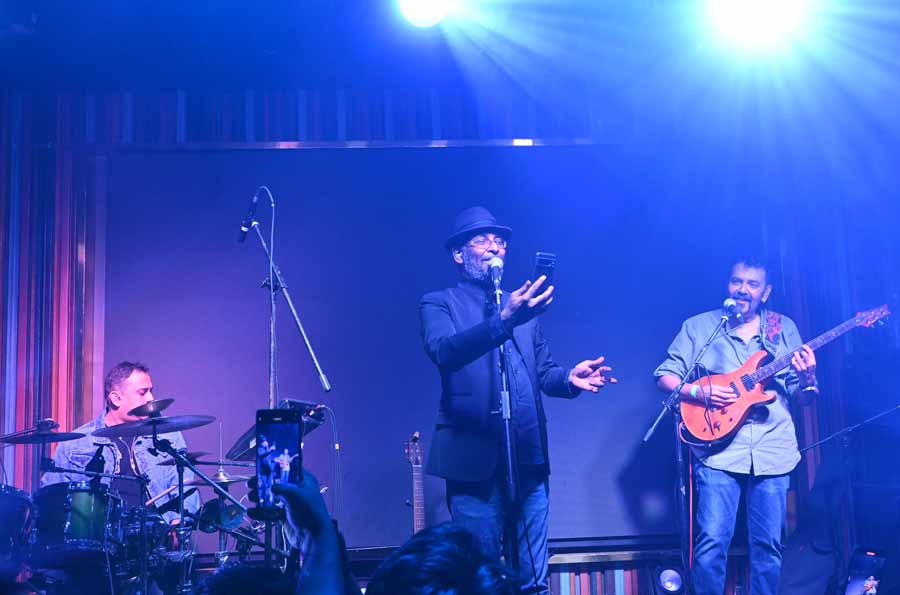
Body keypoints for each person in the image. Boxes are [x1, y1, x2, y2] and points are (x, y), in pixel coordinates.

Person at [419, 206, 616, 594]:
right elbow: (445, 351)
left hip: (527, 457)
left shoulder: (522, 306)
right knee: (480, 580)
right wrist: (504, 320)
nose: (494, 247)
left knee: (534, 580)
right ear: (459, 254)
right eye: (483, 240)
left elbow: (543, 373)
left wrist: (571, 379)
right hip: (472, 462)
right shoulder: (439, 302)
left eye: (500, 241)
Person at [654, 258, 819, 595]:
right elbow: (664, 376)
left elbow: (805, 400)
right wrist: (700, 390)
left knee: (769, 548)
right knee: (711, 544)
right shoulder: (700, 327)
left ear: (766, 292)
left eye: (752, 284)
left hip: (773, 450)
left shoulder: (782, 328)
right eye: (736, 281)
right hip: (718, 450)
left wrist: (809, 379)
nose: (743, 289)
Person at [41, 361, 202, 593]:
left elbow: (186, 485)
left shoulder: (167, 437)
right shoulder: (75, 442)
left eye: (151, 390)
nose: (151, 398)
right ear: (116, 398)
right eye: (143, 392)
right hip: (97, 549)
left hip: (154, 546)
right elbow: (51, 498)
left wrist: (178, 521)